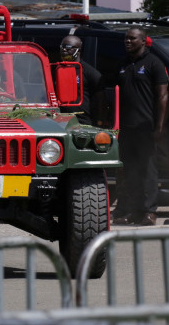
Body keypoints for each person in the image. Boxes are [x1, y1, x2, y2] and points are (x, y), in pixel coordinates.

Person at [112, 27, 168, 226]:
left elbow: (163, 97)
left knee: (148, 171)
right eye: (126, 38)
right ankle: (134, 212)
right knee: (130, 171)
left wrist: (159, 127)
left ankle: (149, 212)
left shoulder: (154, 63)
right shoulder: (123, 64)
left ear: (143, 41)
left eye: (132, 38)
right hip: (126, 129)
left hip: (146, 127)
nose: (127, 41)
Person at [58, 35, 105, 125]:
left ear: (78, 50)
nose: (64, 50)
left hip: (82, 121)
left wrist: (100, 120)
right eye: (62, 47)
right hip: (60, 119)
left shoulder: (90, 72)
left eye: (68, 47)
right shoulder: (58, 69)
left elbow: (100, 99)